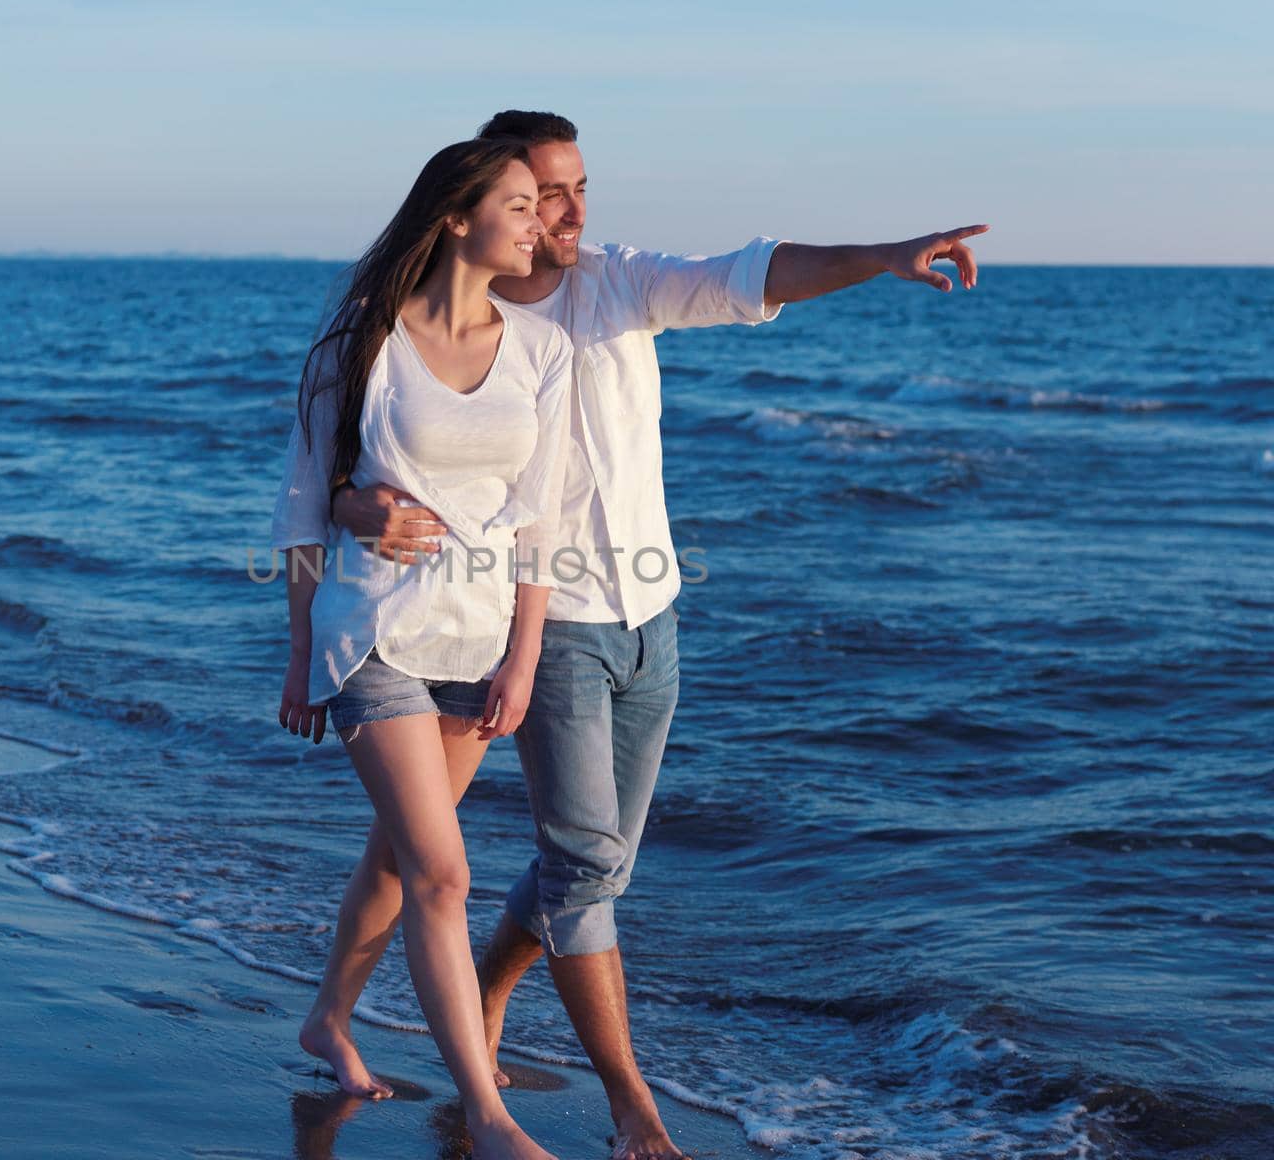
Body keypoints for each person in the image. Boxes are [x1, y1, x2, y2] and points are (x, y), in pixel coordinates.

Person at [324, 111, 989, 1160]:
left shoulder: (619, 284)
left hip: (651, 617)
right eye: (547, 193)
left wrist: (880, 256)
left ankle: (466, 996)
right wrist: (362, 530)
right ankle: (631, 1106)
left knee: (573, 864)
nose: (574, 210)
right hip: (528, 625)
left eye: (582, 185)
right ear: (499, 203)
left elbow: (751, 273)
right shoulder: (444, 316)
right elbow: (344, 467)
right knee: (562, 858)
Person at [271, 136, 575, 1160]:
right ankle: (488, 1116)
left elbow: (541, 523)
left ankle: (327, 1019)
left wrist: (523, 658)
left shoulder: (541, 352)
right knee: (444, 874)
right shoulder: (362, 341)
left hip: (477, 644)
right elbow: (308, 504)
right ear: (455, 214)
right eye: (520, 204)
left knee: (400, 863)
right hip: (376, 636)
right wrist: (301, 648)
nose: (539, 222)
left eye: (542, 206)